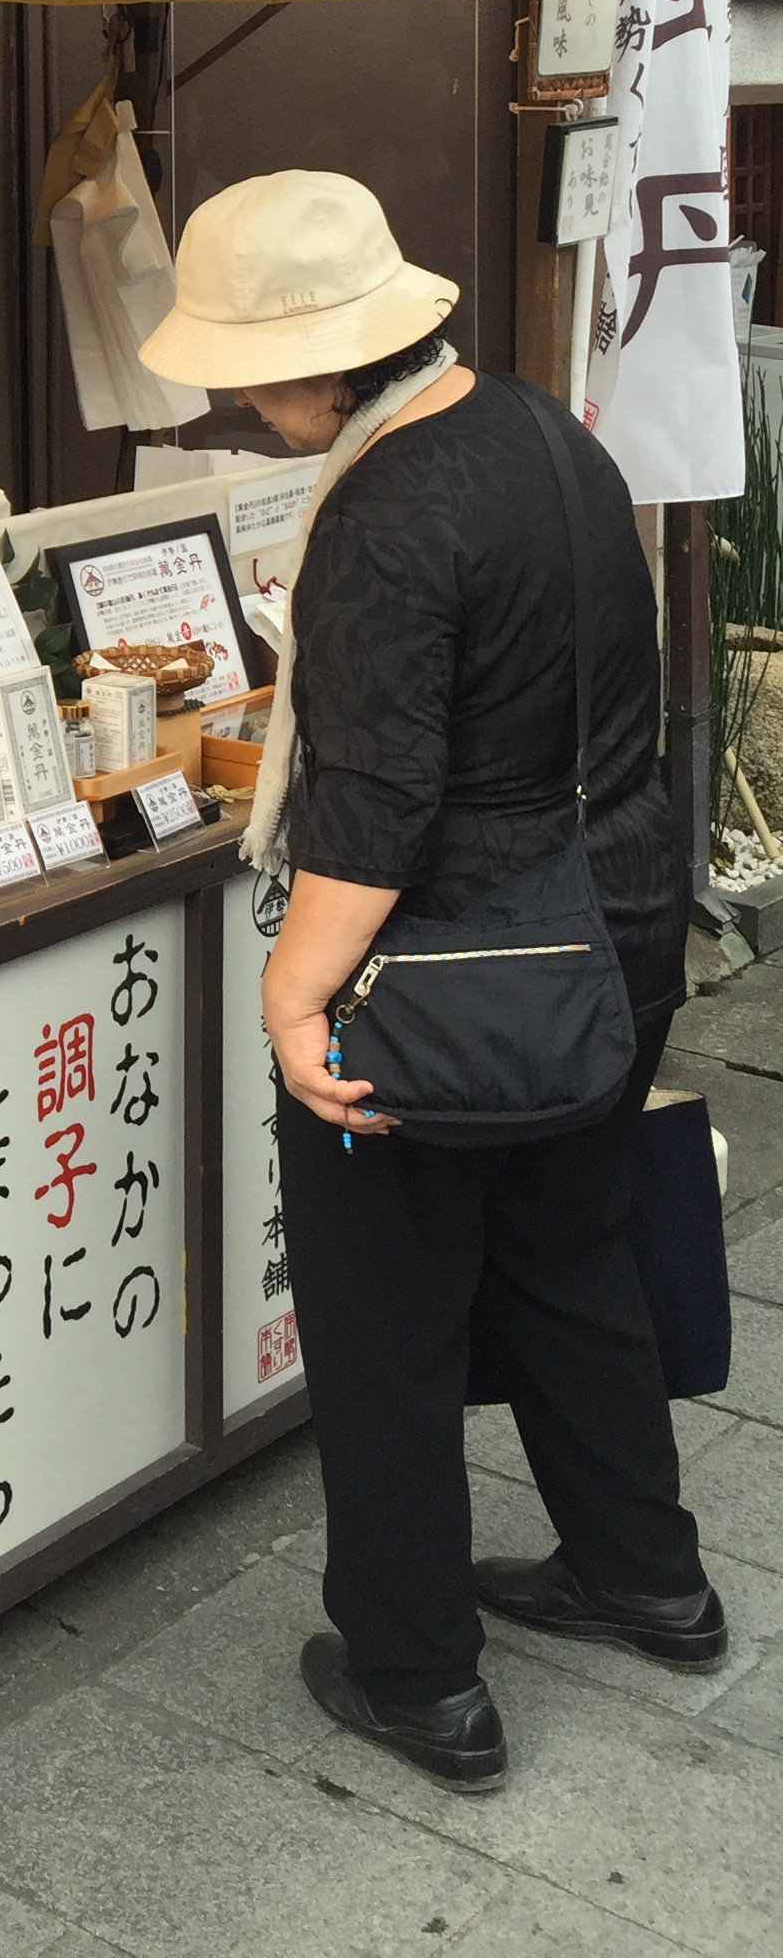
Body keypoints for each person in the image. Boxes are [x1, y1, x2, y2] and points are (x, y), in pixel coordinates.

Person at [139, 169, 722, 1795]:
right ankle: (646, 1575)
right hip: (615, 921)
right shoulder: (538, 427)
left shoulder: (385, 513)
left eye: (251, 373)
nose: (244, 404)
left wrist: (289, 996)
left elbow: (377, 809)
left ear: (316, 360)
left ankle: (417, 1674)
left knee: (384, 1318)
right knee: (569, 1256)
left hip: (454, 963)